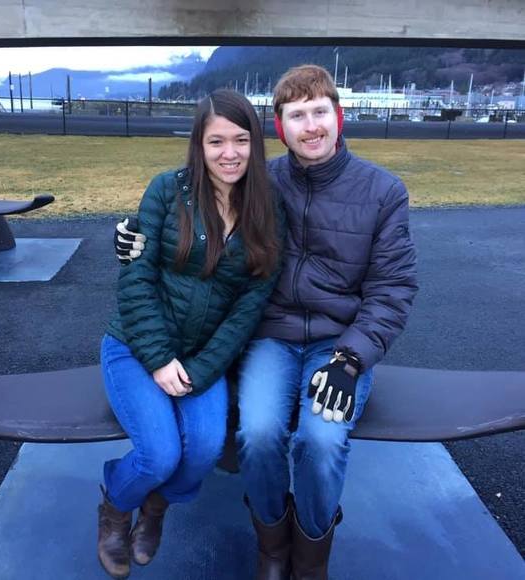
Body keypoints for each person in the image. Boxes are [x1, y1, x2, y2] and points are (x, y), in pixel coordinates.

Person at [115, 65, 418, 580]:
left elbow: (393, 289)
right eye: (297, 116)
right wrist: (132, 235)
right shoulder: (261, 182)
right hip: (270, 337)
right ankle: (272, 545)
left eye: (319, 112)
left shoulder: (383, 191)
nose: (311, 126)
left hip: (338, 344)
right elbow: (193, 218)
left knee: (321, 440)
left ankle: (311, 557)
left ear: (339, 117)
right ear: (280, 127)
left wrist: (351, 359)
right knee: (257, 434)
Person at [100, 88, 283, 579]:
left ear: (255, 143)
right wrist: (159, 359)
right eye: (216, 141)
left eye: (241, 140)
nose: (230, 153)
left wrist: (202, 369)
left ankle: (154, 509)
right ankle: (115, 508)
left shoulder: (268, 208)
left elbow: (249, 307)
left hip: (203, 356)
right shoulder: (167, 190)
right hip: (135, 347)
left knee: (202, 450)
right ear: (199, 145)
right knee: (158, 455)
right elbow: (135, 281)